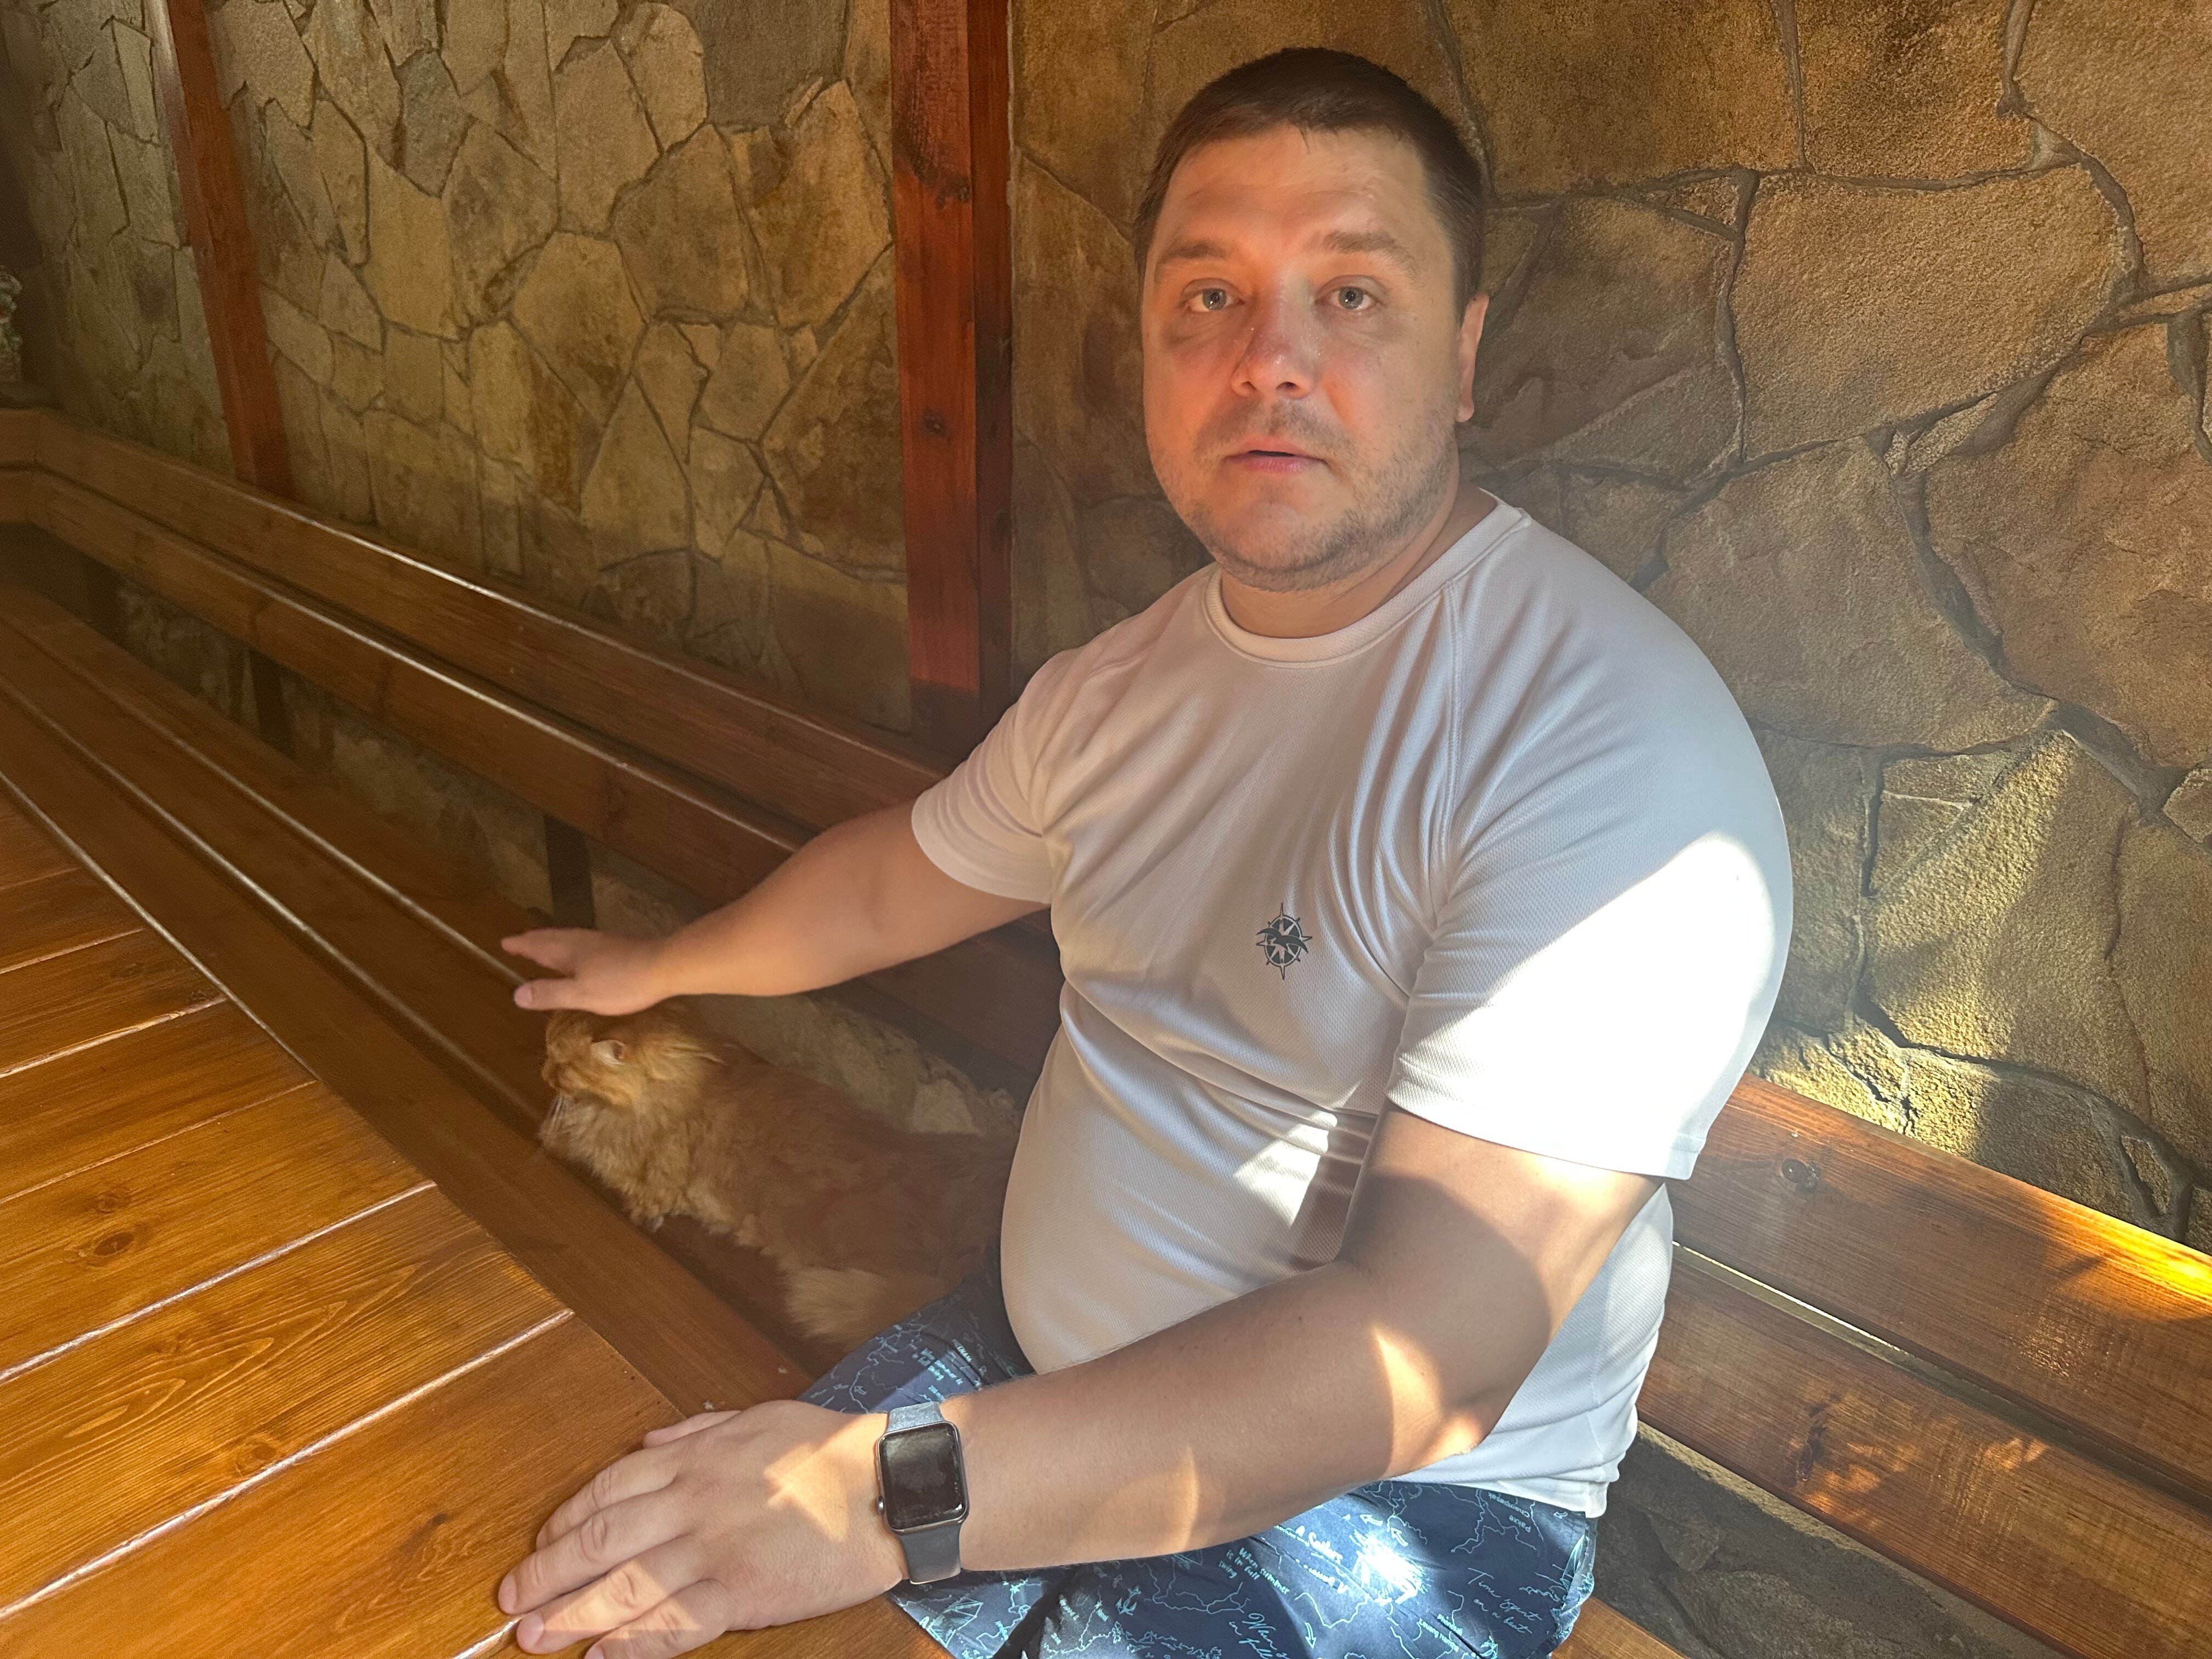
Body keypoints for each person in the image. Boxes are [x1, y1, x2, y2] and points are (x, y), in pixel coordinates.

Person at [490, 47, 1790, 1659]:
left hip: (1397, 1511)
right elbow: (894, 879)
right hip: (1024, 1375)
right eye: (1209, 299)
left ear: (1462, 357)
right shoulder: (1120, 688)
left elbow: (1426, 1356)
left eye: (1353, 296)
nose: (1269, 362)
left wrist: (883, 1493)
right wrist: (656, 965)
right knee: (590, 1576)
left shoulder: (1603, 744)